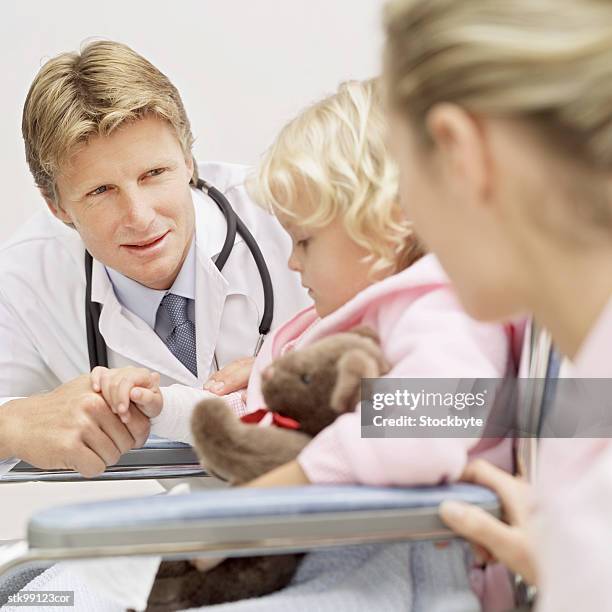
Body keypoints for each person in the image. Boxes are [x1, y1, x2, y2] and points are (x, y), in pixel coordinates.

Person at [93, 79, 515, 610]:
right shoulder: (338, 322)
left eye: (306, 241)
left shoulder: (440, 314)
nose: (292, 262)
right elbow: (255, 414)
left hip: (413, 564)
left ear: (388, 225)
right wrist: (163, 408)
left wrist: (278, 490)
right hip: (333, 545)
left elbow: (421, 434)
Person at [382, 0, 612, 609]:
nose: (292, 262)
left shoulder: (437, 305)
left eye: (401, 169)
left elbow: (446, 408)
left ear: (460, 153)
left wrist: (315, 412)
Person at [0, 40, 309, 479]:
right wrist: (10, 425)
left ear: (188, 161)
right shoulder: (25, 280)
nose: (140, 218)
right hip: (188, 537)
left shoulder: (298, 214)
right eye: (100, 191)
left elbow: (441, 410)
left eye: (154, 174)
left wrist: (326, 396)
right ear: (58, 208)